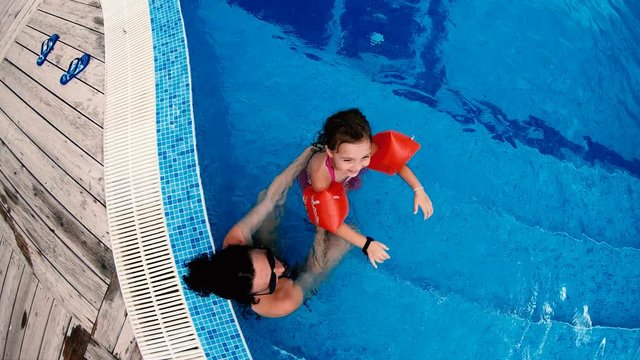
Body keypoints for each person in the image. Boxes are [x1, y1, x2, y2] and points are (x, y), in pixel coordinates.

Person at [184, 147, 335, 318]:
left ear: (246, 247)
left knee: (265, 199)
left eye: (270, 259)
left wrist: (309, 154)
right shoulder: (282, 303)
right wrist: (321, 219)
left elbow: (271, 198)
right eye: (271, 281)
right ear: (255, 295)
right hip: (296, 285)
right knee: (341, 238)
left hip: (261, 254)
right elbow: (315, 271)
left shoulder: (235, 240)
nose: (280, 268)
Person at [299, 108, 434, 269]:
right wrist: (367, 244)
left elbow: (393, 162)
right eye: (348, 159)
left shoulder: (361, 151)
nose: (357, 166)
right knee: (322, 226)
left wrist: (418, 189)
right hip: (320, 190)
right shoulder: (320, 176)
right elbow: (330, 220)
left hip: (343, 179)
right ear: (329, 152)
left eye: (365, 157)